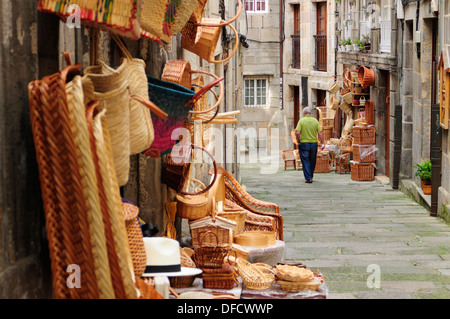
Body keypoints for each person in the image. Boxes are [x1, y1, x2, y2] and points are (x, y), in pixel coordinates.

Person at [295, 107, 325, 183]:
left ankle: (308, 177)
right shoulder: (315, 121)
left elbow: (297, 132)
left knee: (305, 160)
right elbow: (320, 133)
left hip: (304, 143)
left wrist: (298, 140)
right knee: (312, 160)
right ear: (310, 113)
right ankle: (310, 175)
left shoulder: (301, 121)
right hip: (313, 144)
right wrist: (322, 142)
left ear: (304, 113)